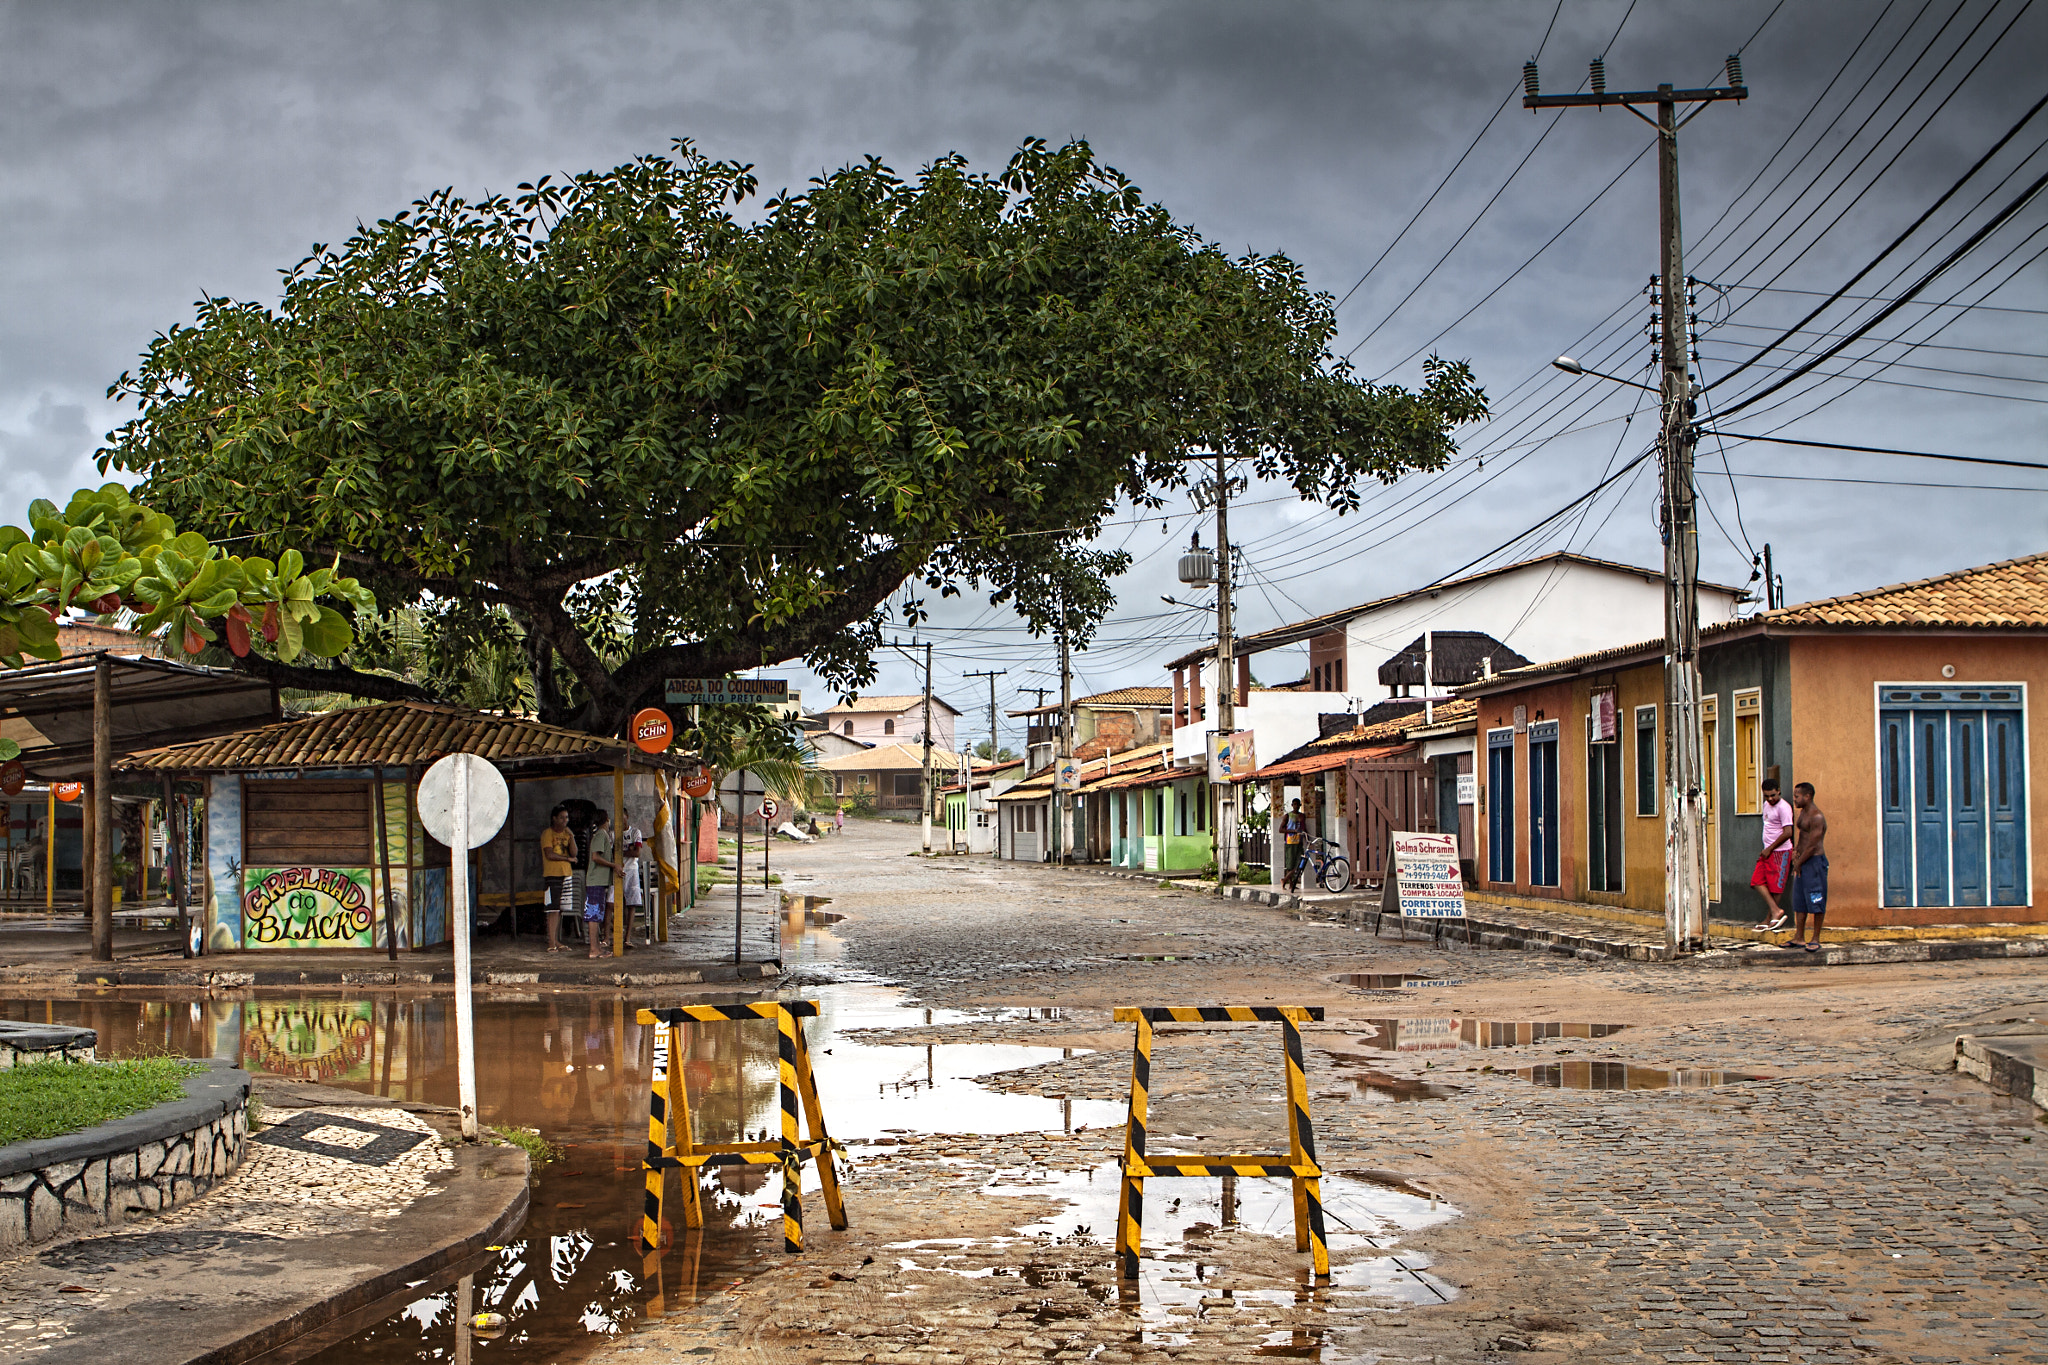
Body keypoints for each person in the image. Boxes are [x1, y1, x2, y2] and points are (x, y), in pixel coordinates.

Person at [1788, 782, 1829, 952]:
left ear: (1807, 796)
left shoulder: (1816, 816)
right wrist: (1796, 851)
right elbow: (1802, 837)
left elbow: (1812, 846)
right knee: (1800, 901)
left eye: (1797, 796)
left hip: (1814, 863)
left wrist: (1798, 863)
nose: (1795, 799)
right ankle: (1799, 937)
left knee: (1816, 899)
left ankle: (1815, 937)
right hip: (1802, 862)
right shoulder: (1803, 813)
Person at [1752, 778, 1796, 933]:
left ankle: (1770, 917)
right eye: (1767, 796)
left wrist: (1770, 849)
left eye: (1773, 795)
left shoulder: (1784, 807)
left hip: (1780, 852)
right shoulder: (1766, 806)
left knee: (1776, 887)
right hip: (1767, 851)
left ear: (1779, 791)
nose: (1770, 799)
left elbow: (1788, 832)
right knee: (1757, 881)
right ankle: (1775, 912)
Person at [540, 806, 575, 954]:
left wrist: (572, 837)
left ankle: (556, 940)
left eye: (566, 818)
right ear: (554, 818)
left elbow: (575, 852)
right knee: (552, 909)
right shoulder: (548, 834)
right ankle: (551, 942)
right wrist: (567, 858)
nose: (565, 820)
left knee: (560, 909)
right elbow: (549, 854)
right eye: (562, 817)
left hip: (566, 873)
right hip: (552, 874)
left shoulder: (567, 834)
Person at [584, 810, 618, 958]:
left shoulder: (602, 835)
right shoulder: (600, 835)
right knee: (594, 915)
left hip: (599, 881)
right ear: (606, 820)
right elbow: (595, 857)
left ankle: (596, 947)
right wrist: (613, 865)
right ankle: (594, 949)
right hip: (595, 880)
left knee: (597, 915)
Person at [620, 818, 646, 948]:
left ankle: (627, 937)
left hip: (632, 870)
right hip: (617, 869)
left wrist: (620, 852)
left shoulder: (635, 832)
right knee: (612, 903)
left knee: (631, 904)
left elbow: (637, 852)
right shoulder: (614, 834)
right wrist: (628, 850)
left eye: (623, 819)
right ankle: (613, 935)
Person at [1279, 799, 1307, 892]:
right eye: (1294, 804)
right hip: (1290, 842)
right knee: (1290, 865)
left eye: (1298, 804)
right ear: (1292, 805)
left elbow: (1304, 828)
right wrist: (1292, 831)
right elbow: (1281, 829)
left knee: (1299, 863)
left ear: (1300, 805)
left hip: (1299, 842)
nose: (1296, 806)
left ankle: (1285, 880)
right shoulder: (1287, 816)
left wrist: (1307, 839)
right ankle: (1289, 882)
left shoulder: (1302, 816)